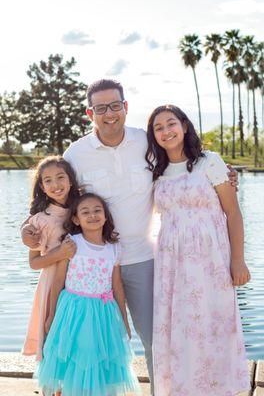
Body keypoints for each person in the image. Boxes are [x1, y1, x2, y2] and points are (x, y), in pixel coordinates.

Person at [22, 79, 238, 394]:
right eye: (100, 108)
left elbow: (181, 167)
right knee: (79, 340)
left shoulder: (145, 142)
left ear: (125, 107)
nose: (109, 113)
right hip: (89, 260)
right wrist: (29, 227)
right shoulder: (77, 153)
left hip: (144, 258)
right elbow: (57, 195)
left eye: (114, 105)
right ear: (89, 113)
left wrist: (223, 173)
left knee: (155, 339)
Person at [145, 104, 250, 396]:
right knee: (178, 327)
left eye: (171, 124)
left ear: (185, 126)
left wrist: (238, 261)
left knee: (212, 323)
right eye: (158, 128)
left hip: (211, 260)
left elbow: (233, 213)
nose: (166, 131)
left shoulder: (210, 162)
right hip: (171, 263)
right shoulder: (157, 173)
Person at [36, 192, 140, 396]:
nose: (92, 215)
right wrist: (51, 315)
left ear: (105, 215)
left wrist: (124, 321)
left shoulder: (114, 249)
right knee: (78, 357)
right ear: (76, 218)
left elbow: (117, 287)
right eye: (85, 212)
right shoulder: (72, 243)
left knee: (100, 359)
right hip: (74, 312)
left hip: (103, 314)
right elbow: (58, 283)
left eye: (97, 210)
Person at [22, 156, 78, 361]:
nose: (56, 185)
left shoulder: (81, 209)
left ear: (70, 180)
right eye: (48, 180)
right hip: (51, 283)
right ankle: (51, 388)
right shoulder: (40, 219)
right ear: (42, 187)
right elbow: (34, 263)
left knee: (74, 339)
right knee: (52, 336)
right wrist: (60, 253)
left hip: (80, 283)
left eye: (60, 177)